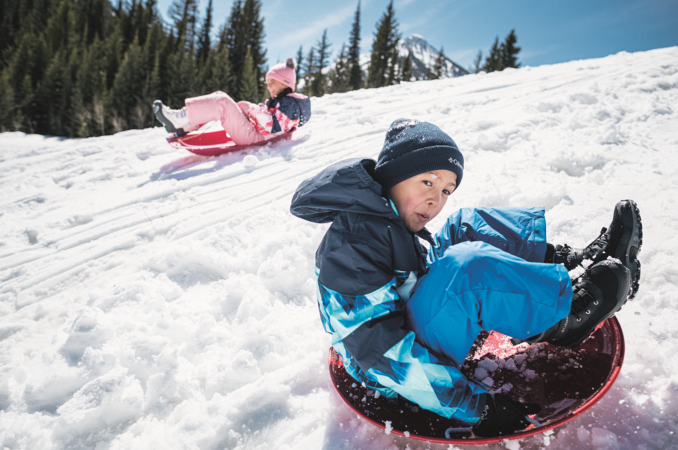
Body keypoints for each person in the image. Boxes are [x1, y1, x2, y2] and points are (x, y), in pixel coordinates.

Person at [289, 118, 642, 438]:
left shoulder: (384, 216)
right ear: (391, 177)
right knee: (467, 268)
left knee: (464, 225)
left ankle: (573, 264)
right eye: (427, 181)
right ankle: (564, 319)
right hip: (389, 373)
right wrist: (476, 408)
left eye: (445, 189)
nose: (435, 199)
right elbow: (380, 353)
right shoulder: (352, 247)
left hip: (407, 325)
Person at [153, 58, 311, 144]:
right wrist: (254, 109)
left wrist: (250, 109)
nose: (269, 86)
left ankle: (178, 119)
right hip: (253, 132)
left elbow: (273, 127)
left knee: (222, 101)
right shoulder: (281, 101)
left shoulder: (289, 105)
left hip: (254, 137)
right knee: (219, 96)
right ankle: (186, 124)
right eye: (267, 82)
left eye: (273, 82)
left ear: (286, 83)